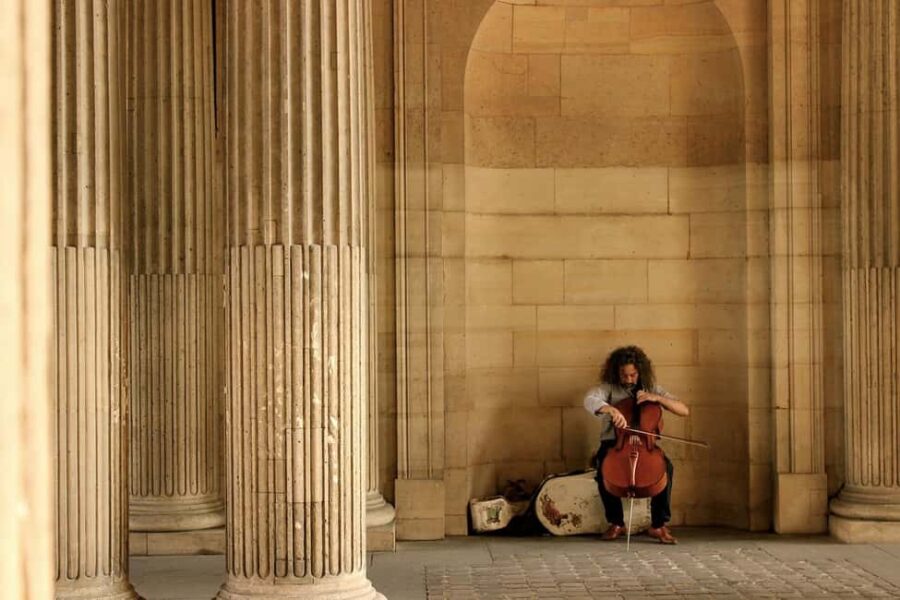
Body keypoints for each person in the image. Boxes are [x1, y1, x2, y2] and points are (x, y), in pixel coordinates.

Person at [583, 345, 689, 544]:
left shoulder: (650, 387)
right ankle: (616, 523)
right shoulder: (608, 387)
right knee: (602, 471)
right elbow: (589, 399)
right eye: (624, 375)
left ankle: (658, 525)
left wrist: (657, 398)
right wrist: (610, 410)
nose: (629, 380)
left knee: (666, 469)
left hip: (645, 444)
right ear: (616, 372)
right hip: (615, 442)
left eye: (633, 375)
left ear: (640, 371)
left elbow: (684, 410)